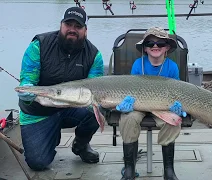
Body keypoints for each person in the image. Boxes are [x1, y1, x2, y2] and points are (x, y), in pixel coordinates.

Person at [17, 7, 104, 171]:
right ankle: (50, 134)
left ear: (85, 30)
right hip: (38, 111)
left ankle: (81, 144)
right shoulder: (39, 45)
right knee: (38, 163)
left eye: (78, 26)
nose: (72, 29)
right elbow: (27, 78)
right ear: (61, 25)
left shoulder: (94, 55)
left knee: (96, 110)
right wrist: (27, 90)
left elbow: (95, 88)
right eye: (68, 24)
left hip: (71, 107)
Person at [116, 27, 186, 180]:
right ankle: (129, 169)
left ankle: (168, 170)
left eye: (160, 43)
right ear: (145, 48)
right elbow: (132, 89)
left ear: (166, 47)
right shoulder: (137, 65)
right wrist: (127, 102)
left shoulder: (172, 67)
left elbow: (177, 91)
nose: (155, 46)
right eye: (150, 43)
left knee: (173, 121)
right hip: (139, 105)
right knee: (128, 119)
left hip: (163, 106)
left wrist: (177, 105)